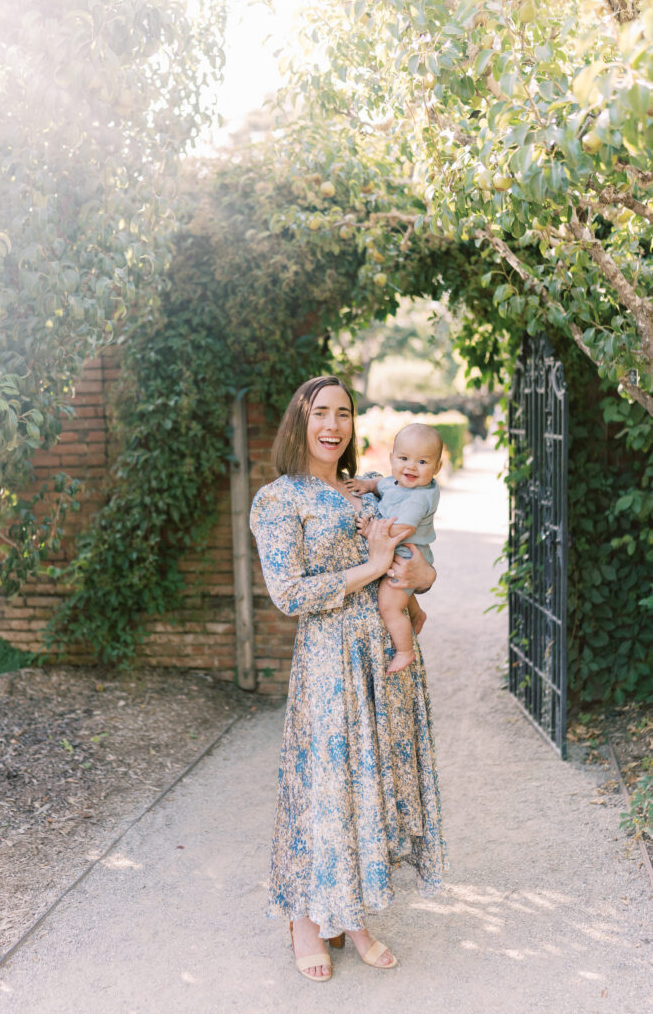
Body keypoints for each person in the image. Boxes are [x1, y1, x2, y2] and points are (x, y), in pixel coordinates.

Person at [249, 375, 446, 983]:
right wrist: (375, 567)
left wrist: (418, 578)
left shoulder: (370, 495)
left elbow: (422, 569)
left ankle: (351, 915)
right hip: (330, 660)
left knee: (369, 783)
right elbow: (288, 594)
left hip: (381, 659)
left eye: (343, 414)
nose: (333, 426)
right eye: (320, 413)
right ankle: (306, 919)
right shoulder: (279, 499)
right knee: (326, 784)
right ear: (299, 422)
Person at [346, 423, 442, 674]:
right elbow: (382, 484)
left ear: (437, 468)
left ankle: (404, 651)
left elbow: (402, 530)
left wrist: (372, 532)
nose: (411, 466)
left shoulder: (418, 497)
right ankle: (416, 613)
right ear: (392, 459)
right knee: (399, 594)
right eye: (403, 458)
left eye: (422, 462)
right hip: (398, 552)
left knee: (388, 603)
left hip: (404, 555)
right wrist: (367, 486)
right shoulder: (396, 482)